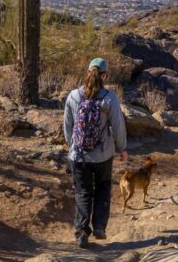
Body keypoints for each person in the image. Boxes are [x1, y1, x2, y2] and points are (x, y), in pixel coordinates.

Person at [63, 57, 128, 248]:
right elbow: (118, 126)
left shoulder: (73, 96)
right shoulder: (109, 98)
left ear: (88, 72)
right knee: (103, 188)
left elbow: (67, 126)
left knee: (83, 192)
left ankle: (82, 232)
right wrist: (122, 148)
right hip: (103, 155)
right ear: (105, 75)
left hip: (78, 155)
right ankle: (99, 226)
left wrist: (72, 146)